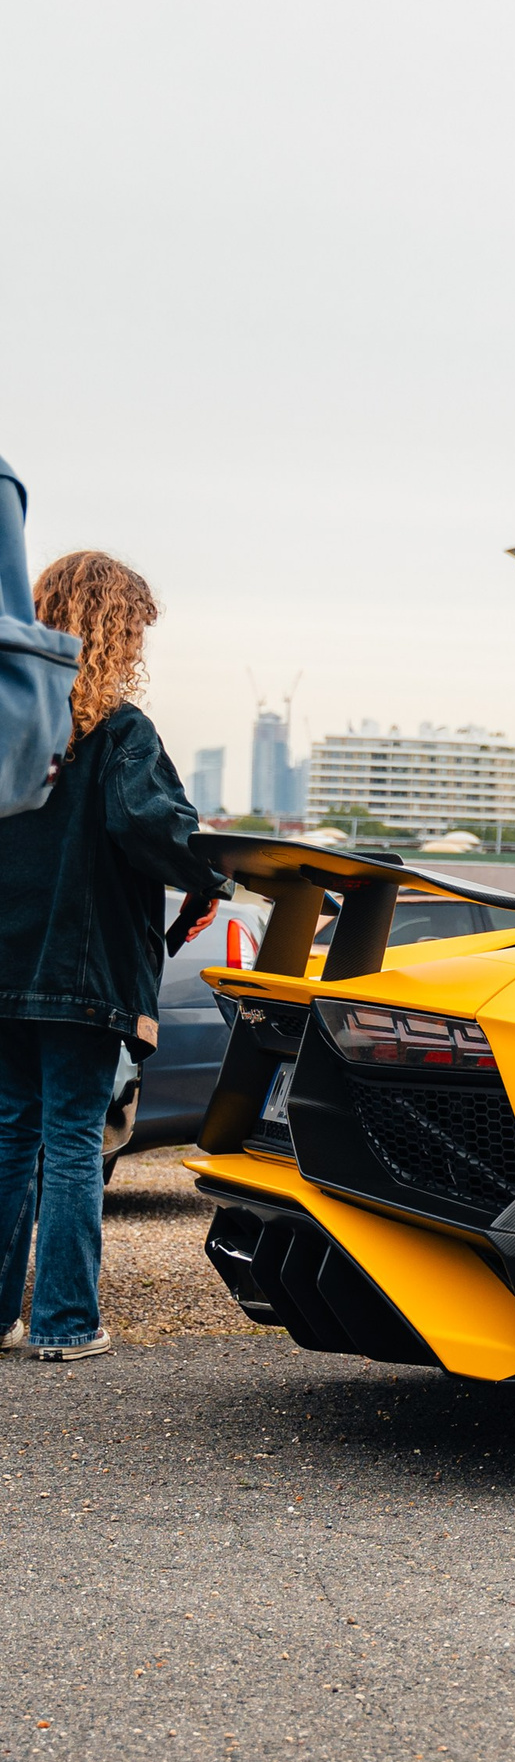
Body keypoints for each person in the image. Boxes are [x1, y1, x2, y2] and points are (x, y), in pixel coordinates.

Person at [0, 553, 221, 1363]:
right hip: (81, 976)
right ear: (114, 630)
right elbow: (151, 827)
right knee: (72, 1140)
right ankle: (64, 1323)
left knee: (8, 1135)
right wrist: (209, 880)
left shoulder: (9, 734)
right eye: (134, 630)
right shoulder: (120, 731)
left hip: (4, 969)